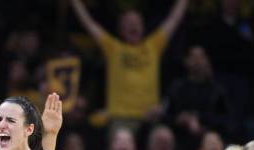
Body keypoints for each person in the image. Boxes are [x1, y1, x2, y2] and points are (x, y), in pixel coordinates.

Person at [69, 0, 188, 130]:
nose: (133, 25)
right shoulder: (113, 48)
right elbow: (88, 22)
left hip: (150, 116)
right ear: (121, 29)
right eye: (129, 23)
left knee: (164, 135)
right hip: (121, 119)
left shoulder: (154, 45)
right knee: (121, 141)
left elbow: (174, 19)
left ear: (143, 27)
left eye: (137, 23)